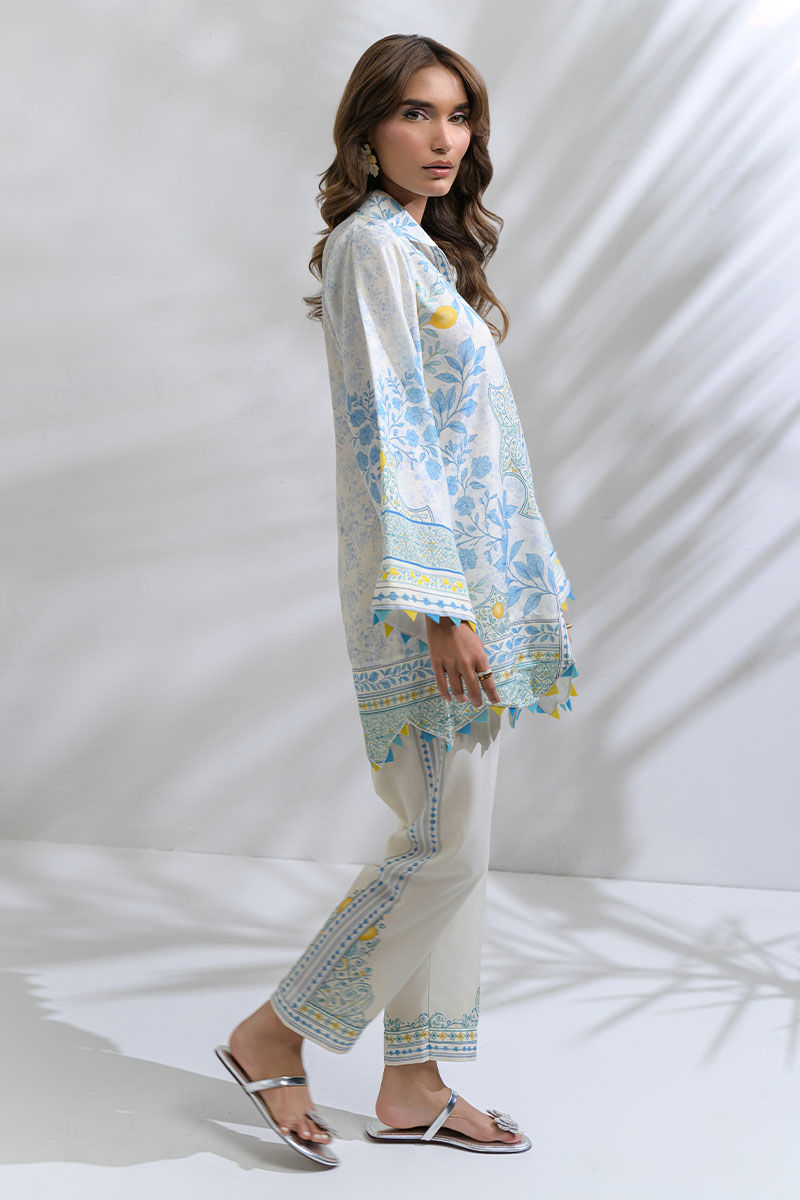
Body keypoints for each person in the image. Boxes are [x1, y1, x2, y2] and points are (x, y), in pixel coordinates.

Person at [215, 33, 578, 1166]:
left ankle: (415, 1084)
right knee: (441, 841)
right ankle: (272, 1032)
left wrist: (494, 597)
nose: (442, 137)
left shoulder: (424, 255)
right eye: (415, 113)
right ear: (367, 131)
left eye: (458, 115)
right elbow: (394, 437)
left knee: (456, 837)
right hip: (424, 602)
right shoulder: (371, 247)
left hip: (476, 595)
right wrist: (443, 611)